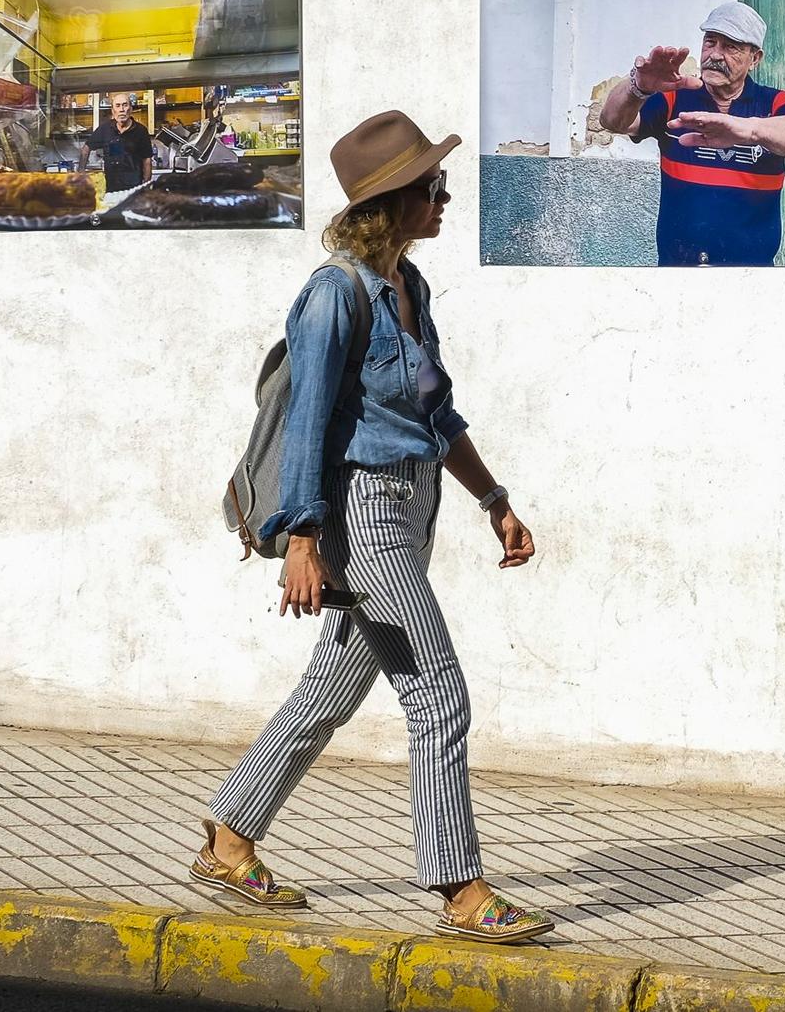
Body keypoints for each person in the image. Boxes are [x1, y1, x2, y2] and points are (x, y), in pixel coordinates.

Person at [189, 110, 553, 945]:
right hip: (359, 514)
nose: (447, 197)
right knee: (437, 692)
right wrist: (304, 539)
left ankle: (230, 839)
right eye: (434, 185)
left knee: (331, 690)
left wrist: (492, 498)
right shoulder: (334, 294)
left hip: (413, 503)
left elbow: (438, 413)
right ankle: (461, 888)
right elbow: (312, 419)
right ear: (393, 200)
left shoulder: (408, 289)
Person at [596, 1, 785, 266]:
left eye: (730, 47)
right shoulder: (675, 98)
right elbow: (612, 121)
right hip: (678, 271)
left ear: (755, 59)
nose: (715, 54)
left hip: (752, 276)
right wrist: (638, 88)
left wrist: (747, 130)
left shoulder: (773, 103)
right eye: (710, 42)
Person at [81, 93, 155, 192]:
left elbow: (147, 160)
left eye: (125, 105)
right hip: (110, 189)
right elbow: (86, 148)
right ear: (113, 111)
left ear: (131, 109)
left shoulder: (141, 131)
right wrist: (80, 174)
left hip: (134, 189)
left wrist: (145, 186)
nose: (121, 109)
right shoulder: (105, 129)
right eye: (118, 105)